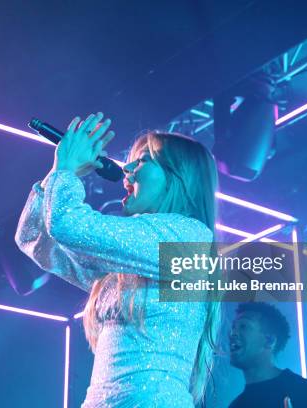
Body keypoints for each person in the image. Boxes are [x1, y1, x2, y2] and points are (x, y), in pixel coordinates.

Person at [15, 112, 222, 407]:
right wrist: (56, 175)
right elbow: (34, 239)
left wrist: (67, 169)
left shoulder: (189, 239)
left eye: (144, 159)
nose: (127, 168)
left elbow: (68, 225)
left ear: (179, 178)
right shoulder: (127, 265)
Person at [228, 302, 307, 408]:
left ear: (270, 340)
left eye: (243, 326)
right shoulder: (236, 405)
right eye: (233, 327)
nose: (232, 333)